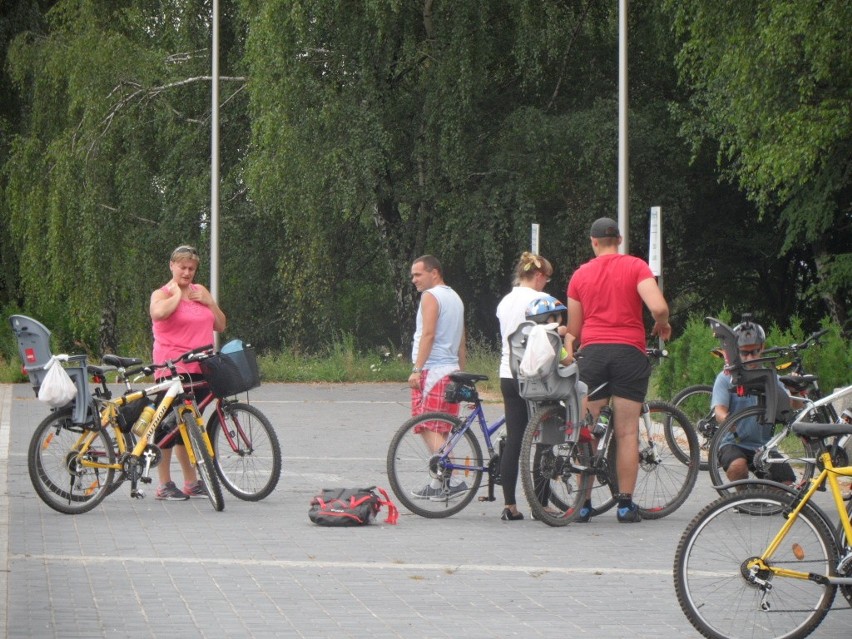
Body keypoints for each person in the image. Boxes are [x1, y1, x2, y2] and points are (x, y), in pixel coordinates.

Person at [566, 217, 671, 523]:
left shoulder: (580, 275)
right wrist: (661, 324)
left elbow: (574, 328)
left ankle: (583, 504)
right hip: (629, 354)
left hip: (594, 355)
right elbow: (660, 308)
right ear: (620, 240)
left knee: (585, 430)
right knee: (627, 432)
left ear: (593, 242)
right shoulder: (636, 266)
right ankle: (625, 505)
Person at [149, 245, 227, 500]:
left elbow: (220, 324)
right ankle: (164, 483)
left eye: (191, 268)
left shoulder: (200, 291)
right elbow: (157, 314)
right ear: (172, 266)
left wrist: (209, 302)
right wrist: (175, 296)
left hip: (200, 366)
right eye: (182, 267)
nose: (187, 272)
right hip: (171, 367)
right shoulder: (162, 293)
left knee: (190, 425)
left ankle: (191, 482)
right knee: (166, 426)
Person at [495, 253, 554, 521]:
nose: (547, 284)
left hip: (508, 373)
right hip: (534, 375)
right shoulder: (541, 301)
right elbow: (550, 337)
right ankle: (540, 503)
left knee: (515, 438)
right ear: (539, 276)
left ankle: (510, 505)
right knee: (544, 436)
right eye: (547, 278)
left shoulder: (505, 301)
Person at [408, 255, 467, 500]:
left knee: (424, 423)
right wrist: (462, 372)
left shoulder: (431, 297)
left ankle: (452, 477)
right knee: (440, 429)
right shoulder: (455, 297)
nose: (414, 280)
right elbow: (462, 339)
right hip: (451, 369)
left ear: (435, 272)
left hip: (434, 370)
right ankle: (437, 482)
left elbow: (428, 334)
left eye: (418, 275)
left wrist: (417, 369)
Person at [712, 318, 795, 485]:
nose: (750, 357)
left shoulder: (773, 379)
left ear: (762, 348)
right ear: (736, 351)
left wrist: (797, 390)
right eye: (744, 353)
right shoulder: (725, 378)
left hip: (763, 447)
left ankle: (761, 495)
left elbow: (792, 406)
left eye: (754, 352)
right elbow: (718, 410)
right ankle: (742, 499)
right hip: (733, 443)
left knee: (787, 488)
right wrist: (726, 419)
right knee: (737, 466)